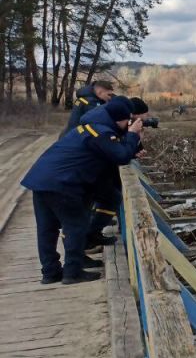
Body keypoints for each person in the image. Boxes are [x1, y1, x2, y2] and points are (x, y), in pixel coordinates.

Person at [21, 98, 143, 284]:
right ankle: (72, 272)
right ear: (120, 119)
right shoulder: (100, 132)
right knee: (76, 226)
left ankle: (50, 273)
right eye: (128, 120)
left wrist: (131, 148)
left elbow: (109, 152)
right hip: (63, 184)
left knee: (47, 229)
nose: (128, 124)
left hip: (41, 179)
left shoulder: (91, 127)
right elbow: (120, 156)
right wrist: (133, 135)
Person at [84, 96, 150, 251]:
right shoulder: (106, 126)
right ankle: (86, 242)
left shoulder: (106, 120)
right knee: (82, 211)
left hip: (92, 168)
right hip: (86, 172)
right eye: (143, 116)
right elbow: (119, 154)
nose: (145, 120)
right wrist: (133, 135)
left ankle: (91, 235)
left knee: (111, 197)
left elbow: (120, 151)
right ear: (131, 115)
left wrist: (134, 150)